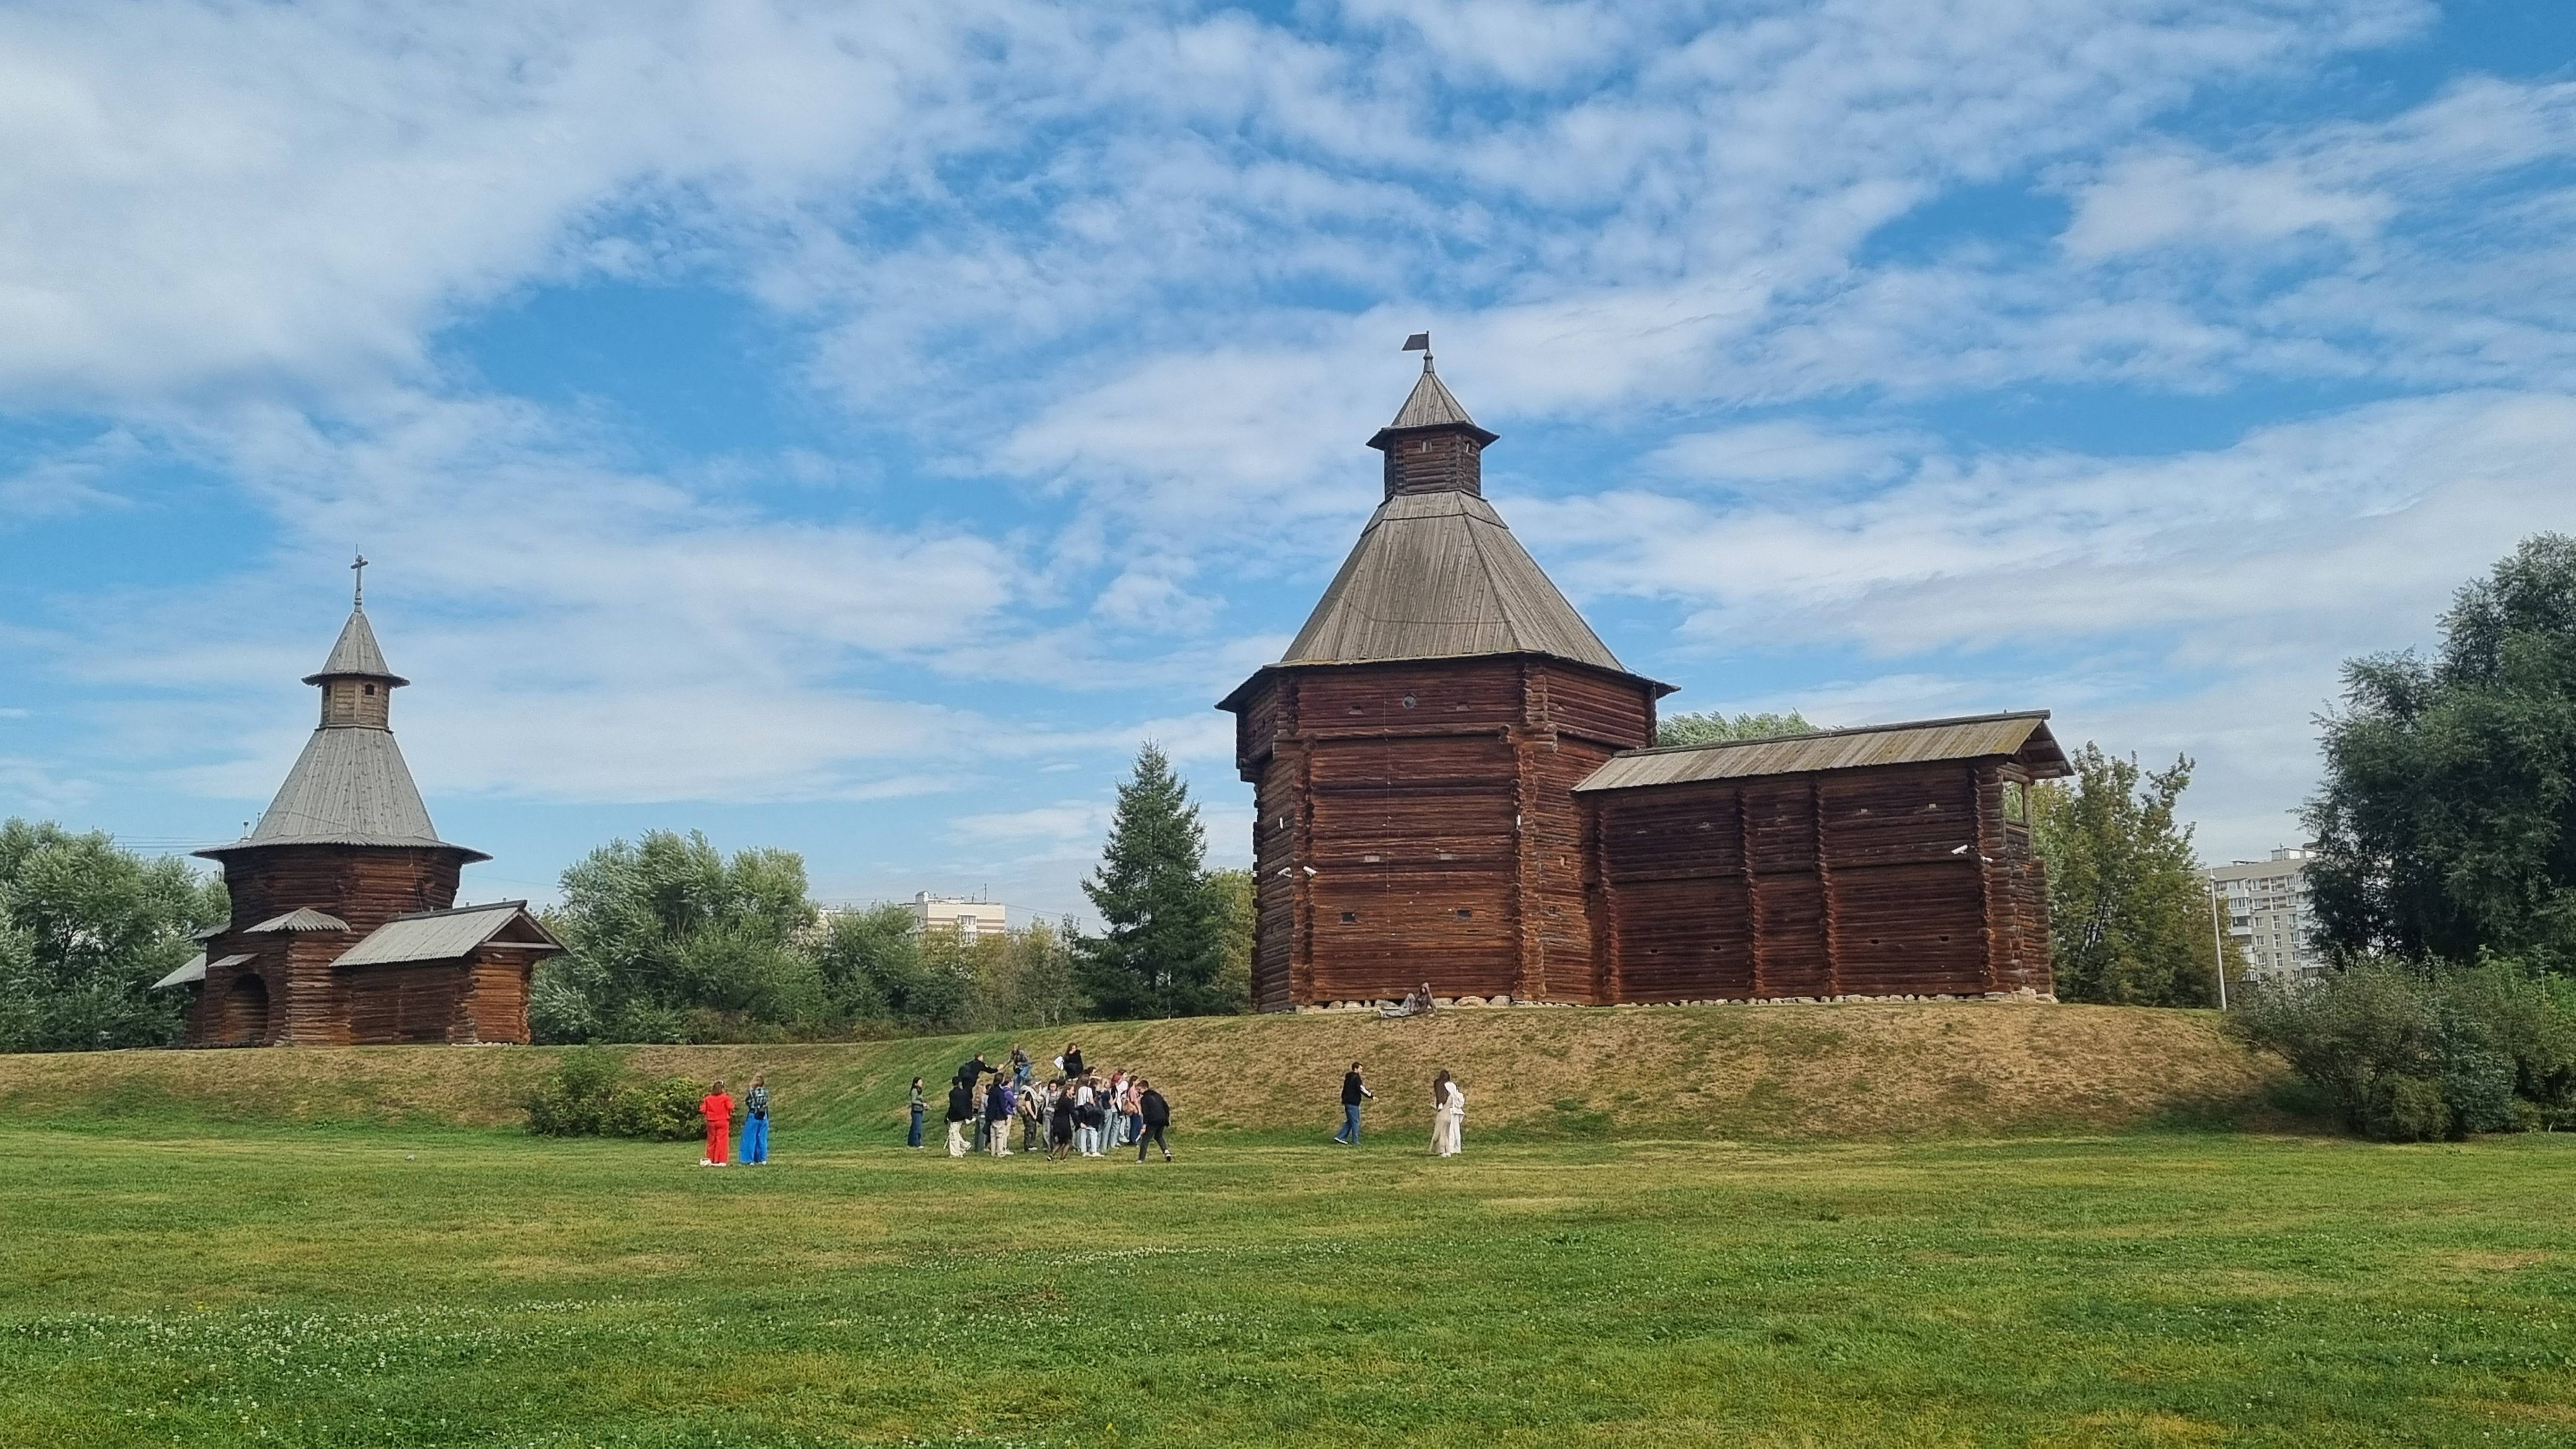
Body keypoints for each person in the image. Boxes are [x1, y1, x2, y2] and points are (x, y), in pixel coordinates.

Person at [1335, 1061, 1373, 1145]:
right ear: (1356, 1069)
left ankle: (1340, 1137)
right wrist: (1371, 1096)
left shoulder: (1348, 1078)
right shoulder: (1356, 1078)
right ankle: (1355, 1141)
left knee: (1350, 1121)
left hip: (1347, 1102)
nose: (1362, 1071)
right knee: (1356, 1122)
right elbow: (1361, 1089)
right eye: (1360, 1069)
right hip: (1353, 1103)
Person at [700, 1080, 734, 1167]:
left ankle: (710, 1159)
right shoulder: (725, 1098)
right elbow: (731, 1107)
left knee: (711, 1141)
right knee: (722, 1141)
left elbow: (703, 1110)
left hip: (711, 1121)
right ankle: (721, 1160)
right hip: (723, 1121)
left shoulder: (708, 1099)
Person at [1136, 1079, 1172, 1162]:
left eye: (1139, 1089)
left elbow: (1146, 1113)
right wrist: (1166, 1117)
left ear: (1145, 1088)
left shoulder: (1144, 1099)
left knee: (1146, 1139)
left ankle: (1141, 1159)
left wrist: (1145, 1125)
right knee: (1159, 1136)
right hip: (1163, 1119)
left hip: (1153, 1121)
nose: (1139, 1092)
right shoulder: (1157, 1095)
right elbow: (1166, 1107)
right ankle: (1166, 1151)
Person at [741, 1074, 771, 1166]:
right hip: (764, 1116)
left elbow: (749, 1103)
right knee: (762, 1138)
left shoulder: (752, 1092)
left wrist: (750, 1088)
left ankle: (749, 1160)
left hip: (754, 1115)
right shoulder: (765, 1092)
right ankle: (763, 1159)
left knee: (750, 1138)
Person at [985, 1076, 1016, 1158]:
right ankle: (1000, 1152)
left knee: (993, 1135)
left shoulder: (992, 1091)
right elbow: (1002, 1105)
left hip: (992, 1115)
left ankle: (993, 1152)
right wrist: (1005, 1116)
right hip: (1000, 1115)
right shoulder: (1000, 1092)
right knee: (1000, 1135)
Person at [1047, 1081, 1077, 1162]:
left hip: (1057, 1121)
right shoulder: (1069, 1101)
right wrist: (1079, 1123)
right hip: (1064, 1123)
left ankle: (1051, 1155)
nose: (1073, 1092)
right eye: (1072, 1090)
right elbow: (1072, 1113)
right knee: (1068, 1142)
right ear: (1068, 1091)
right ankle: (1063, 1158)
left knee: (1060, 1141)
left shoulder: (1060, 1100)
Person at [945, 1077, 974, 1158]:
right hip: (963, 1115)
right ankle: (964, 1146)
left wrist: (948, 1116)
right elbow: (969, 1104)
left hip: (955, 1116)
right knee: (955, 1132)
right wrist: (969, 1115)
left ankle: (956, 1153)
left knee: (953, 1133)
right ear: (960, 1083)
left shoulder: (952, 1094)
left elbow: (953, 1106)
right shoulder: (964, 1093)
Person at [1018, 1074, 1044, 1152]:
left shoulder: (1025, 1091)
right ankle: (1028, 1146)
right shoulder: (1028, 1092)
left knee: (1032, 1129)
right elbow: (1028, 1104)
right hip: (1029, 1114)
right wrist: (1033, 1115)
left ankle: (1030, 1145)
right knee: (1030, 1130)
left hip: (1029, 1114)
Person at [907, 1077, 926, 1150]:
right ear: (916, 1083)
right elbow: (913, 1101)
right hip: (916, 1111)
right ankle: (917, 1143)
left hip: (919, 1111)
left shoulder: (919, 1091)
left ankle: (911, 1143)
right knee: (917, 1128)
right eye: (920, 1082)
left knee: (914, 1127)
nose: (922, 1083)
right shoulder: (914, 1091)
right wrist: (922, 1104)